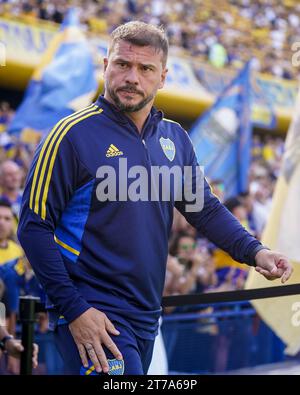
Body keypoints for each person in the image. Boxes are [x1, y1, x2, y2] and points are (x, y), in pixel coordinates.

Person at [17, 21, 293, 375]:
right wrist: (75, 309)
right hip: (94, 315)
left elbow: (204, 210)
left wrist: (256, 251)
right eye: (122, 65)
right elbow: (33, 229)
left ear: (162, 77)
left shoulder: (176, 139)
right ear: (106, 67)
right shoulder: (69, 135)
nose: (132, 77)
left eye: (145, 69)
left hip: (148, 317)